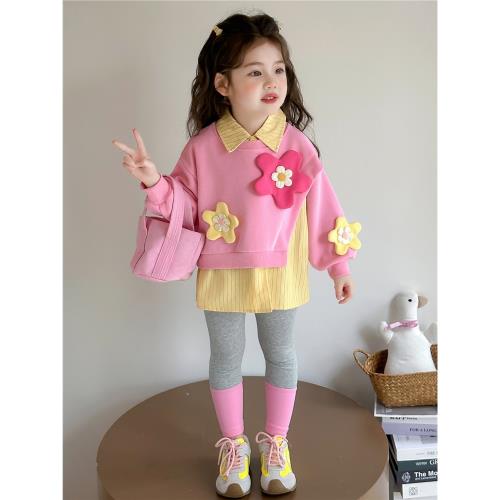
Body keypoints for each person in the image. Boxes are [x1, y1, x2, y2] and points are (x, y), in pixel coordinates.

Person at [112, 12, 362, 498]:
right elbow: (183, 204)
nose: (272, 82)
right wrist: (154, 181)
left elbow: (324, 208)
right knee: (225, 357)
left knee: (281, 354)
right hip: (222, 270)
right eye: (255, 71)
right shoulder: (202, 147)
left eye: (279, 69)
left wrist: (339, 266)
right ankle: (232, 445)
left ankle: (277, 443)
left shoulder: (297, 144)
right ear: (222, 83)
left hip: (281, 269)